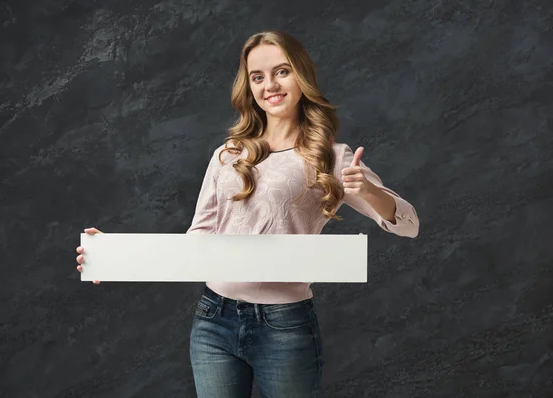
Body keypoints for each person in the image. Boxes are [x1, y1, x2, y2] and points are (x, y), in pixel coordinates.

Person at [75, 30, 419, 397]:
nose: (269, 84)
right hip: (213, 321)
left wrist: (367, 190)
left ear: (301, 76)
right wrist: (116, 258)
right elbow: (199, 239)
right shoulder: (229, 153)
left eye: (281, 71)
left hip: (284, 326)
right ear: (249, 86)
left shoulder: (332, 158)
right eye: (258, 77)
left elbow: (408, 225)